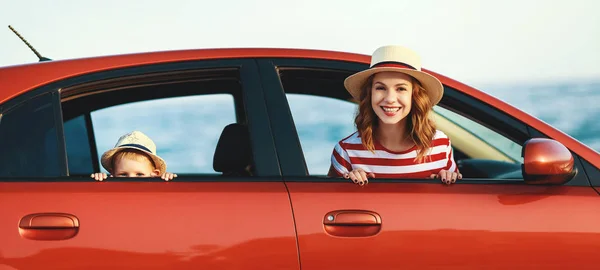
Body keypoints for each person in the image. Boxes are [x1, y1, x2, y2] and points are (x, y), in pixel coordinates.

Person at [327, 45, 461, 186]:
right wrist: (349, 184)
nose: (390, 98)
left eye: (401, 89)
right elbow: (326, 202)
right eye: (380, 88)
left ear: (414, 96)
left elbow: (454, 201)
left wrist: (448, 179)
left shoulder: (440, 145)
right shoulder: (346, 151)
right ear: (370, 94)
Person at [91, 131, 177, 181]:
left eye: (139, 174)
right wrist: (100, 180)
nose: (131, 179)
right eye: (123, 174)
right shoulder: (113, 191)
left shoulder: (156, 190)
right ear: (112, 174)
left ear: (154, 175)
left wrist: (167, 180)